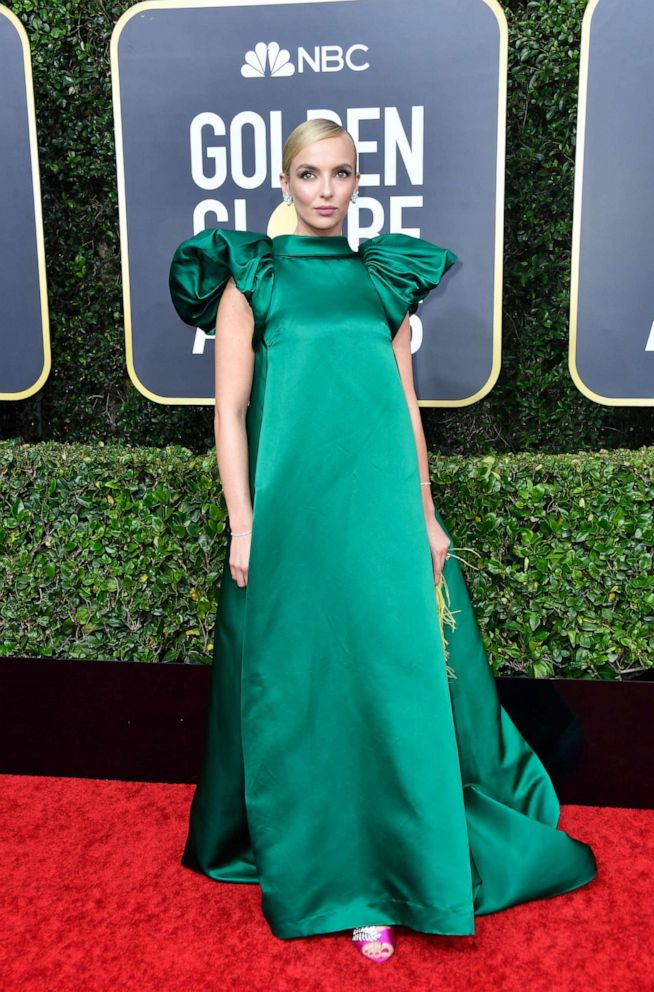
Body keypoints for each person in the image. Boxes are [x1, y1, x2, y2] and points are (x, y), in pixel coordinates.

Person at [168, 118, 597, 963]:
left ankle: (394, 871)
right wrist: (243, 524)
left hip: (377, 515)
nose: (325, 190)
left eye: (341, 174)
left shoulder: (381, 280)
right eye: (308, 174)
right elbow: (227, 414)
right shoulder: (251, 277)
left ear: (359, 181)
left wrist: (428, 517)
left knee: (385, 690)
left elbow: (405, 411)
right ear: (284, 181)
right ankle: (331, 872)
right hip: (291, 522)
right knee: (307, 695)